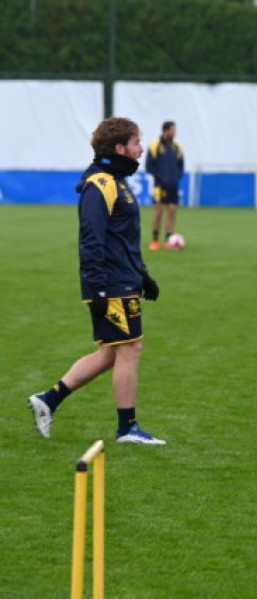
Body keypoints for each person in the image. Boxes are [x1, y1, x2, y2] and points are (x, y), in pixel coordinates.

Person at [27, 117, 165, 444]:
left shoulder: (117, 181)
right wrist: (98, 286)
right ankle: (127, 428)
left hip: (124, 279)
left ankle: (48, 401)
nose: (141, 149)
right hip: (111, 283)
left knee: (111, 353)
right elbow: (92, 238)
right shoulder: (100, 183)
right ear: (120, 148)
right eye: (135, 143)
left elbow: (122, 238)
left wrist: (144, 275)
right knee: (131, 348)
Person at [146, 120, 185, 250]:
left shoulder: (177, 147)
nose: (175, 133)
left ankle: (169, 240)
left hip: (173, 184)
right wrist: (161, 178)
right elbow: (149, 166)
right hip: (160, 185)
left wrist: (176, 178)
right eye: (173, 130)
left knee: (172, 211)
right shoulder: (155, 145)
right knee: (159, 211)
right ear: (166, 130)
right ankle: (155, 240)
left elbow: (180, 166)